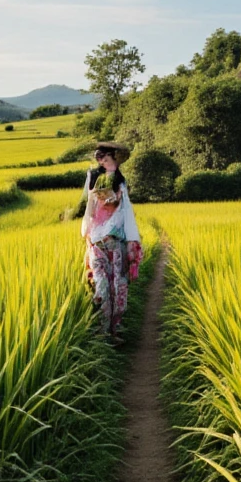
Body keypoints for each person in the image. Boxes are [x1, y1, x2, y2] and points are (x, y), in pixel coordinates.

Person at [79, 142, 143, 338]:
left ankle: (114, 330)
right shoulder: (93, 178)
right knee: (101, 286)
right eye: (101, 157)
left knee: (118, 286)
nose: (103, 160)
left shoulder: (120, 183)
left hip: (116, 242)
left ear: (115, 159)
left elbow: (126, 212)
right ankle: (102, 329)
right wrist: (86, 234)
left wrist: (133, 241)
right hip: (96, 242)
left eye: (107, 156)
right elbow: (88, 207)